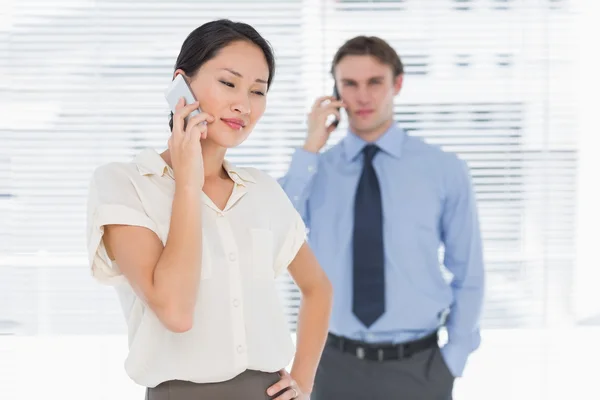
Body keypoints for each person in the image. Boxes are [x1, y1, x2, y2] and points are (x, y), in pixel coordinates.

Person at [86, 19, 332, 400]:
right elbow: (175, 312)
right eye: (229, 83)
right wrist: (188, 181)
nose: (243, 105)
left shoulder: (262, 191)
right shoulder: (125, 184)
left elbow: (317, 288)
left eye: (257, 91)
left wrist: (303, 381)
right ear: (180, 84)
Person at [279, 35, 485, 399]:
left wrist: (453, 358)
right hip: (332, 366)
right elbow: (272, 229)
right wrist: (309, 146)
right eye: (350, 84)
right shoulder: (315, 171)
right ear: (336, 92)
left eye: (375, 82)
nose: (363, 96)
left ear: (397, 84)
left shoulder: (443, 170)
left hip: (420, 368)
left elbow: (468, 271)